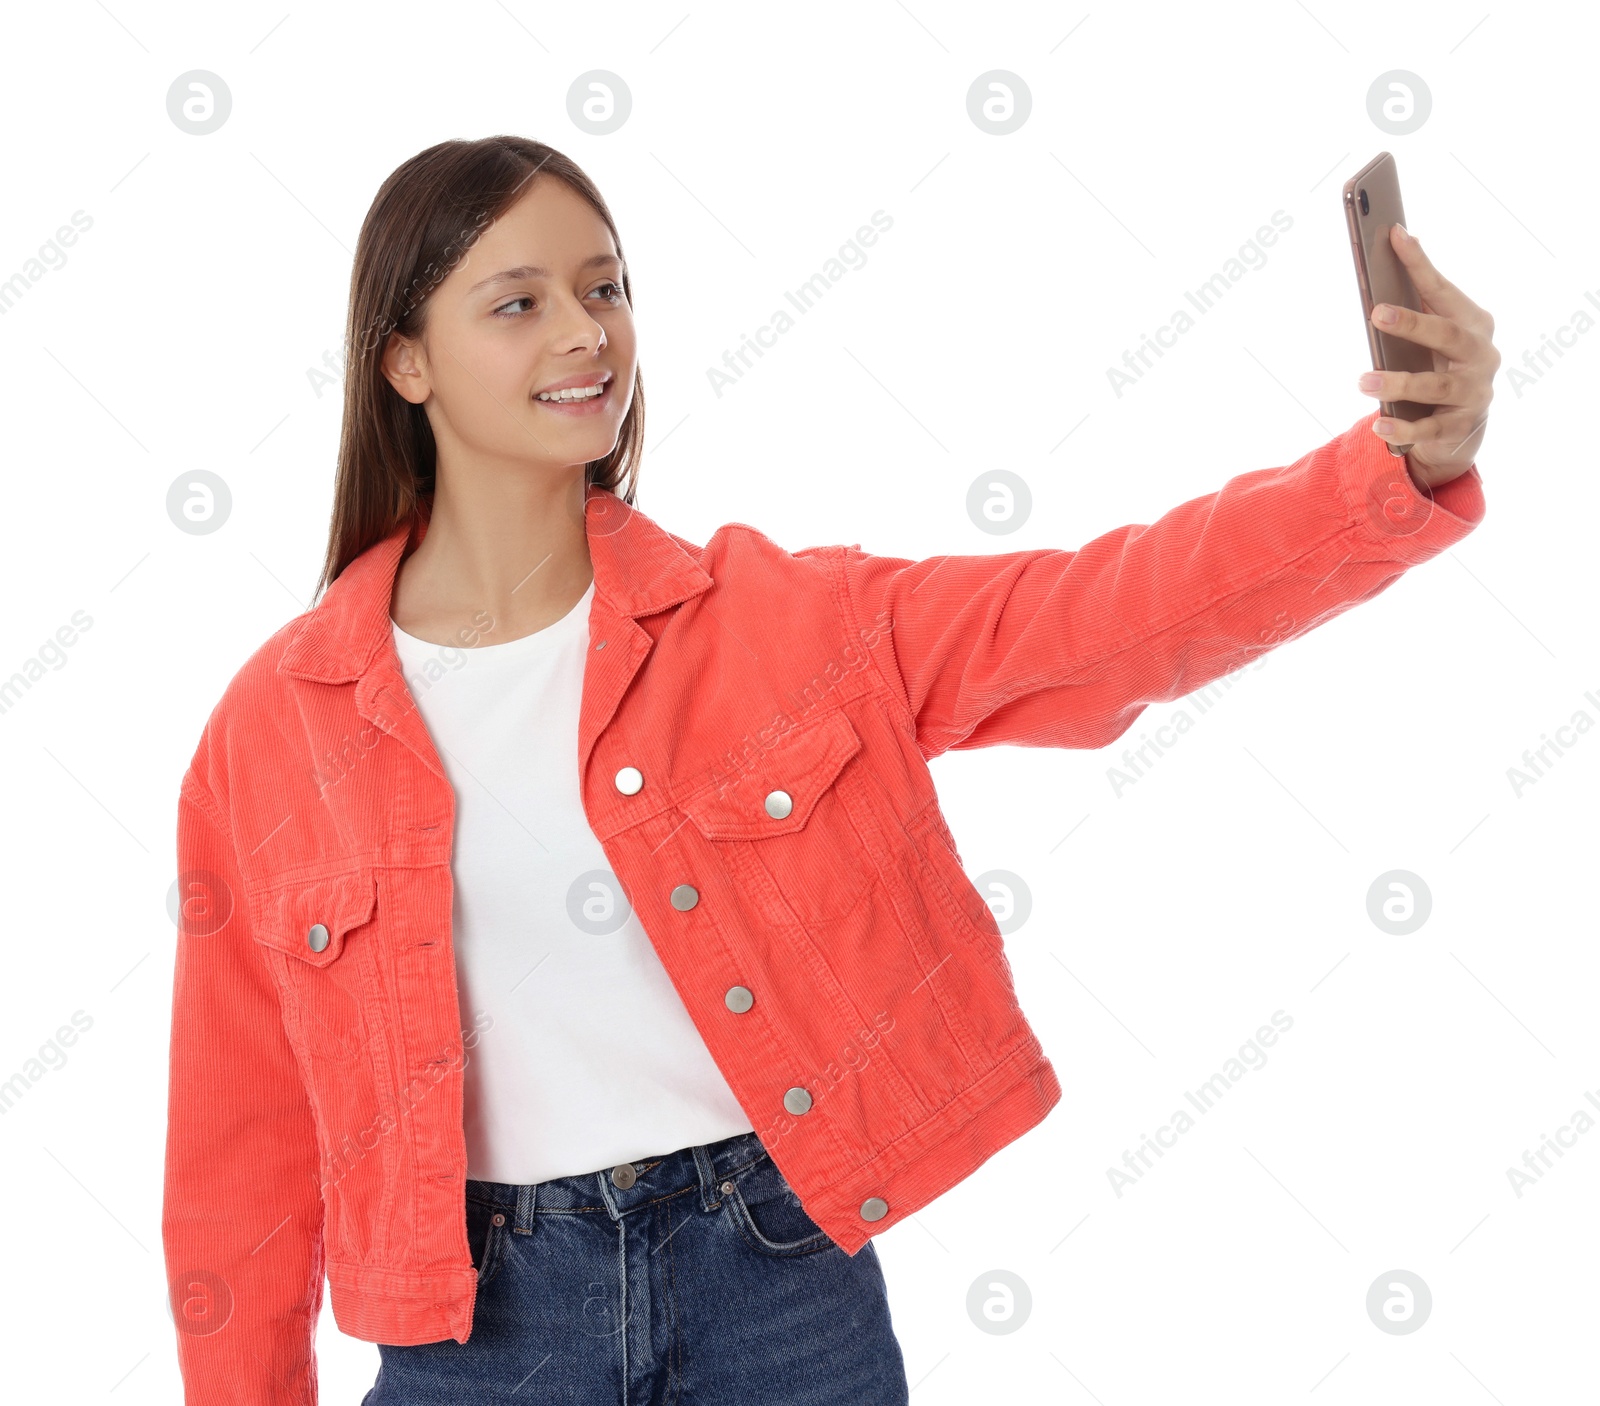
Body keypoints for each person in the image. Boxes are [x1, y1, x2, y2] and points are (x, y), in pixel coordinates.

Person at [162, 135, 1494, 1404]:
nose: (587, 331)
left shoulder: (780, 622)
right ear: (406, 364)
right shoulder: (276, 731)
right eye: (518, 302)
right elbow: (239, 1151)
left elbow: (1105, 615)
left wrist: (1389, 474)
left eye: (606, 286)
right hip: (483, 1325)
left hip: (777, 1280)